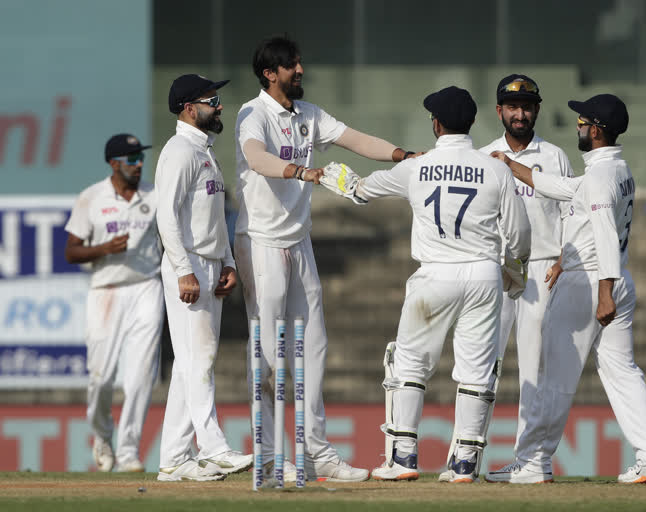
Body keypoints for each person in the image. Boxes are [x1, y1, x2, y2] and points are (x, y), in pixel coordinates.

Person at [233, 35, 420, 482]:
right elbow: (255, 158)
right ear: (269, 74)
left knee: (313, 345)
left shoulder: (308, 114)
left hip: (299, 242)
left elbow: (357, 140)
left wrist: (406, 157)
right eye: (291, 66)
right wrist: (304, 171)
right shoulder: (252, 113)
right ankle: (270, 454)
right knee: (268, 352)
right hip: (260, 240)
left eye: (300, 64)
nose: (300, 71)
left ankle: (316, 452)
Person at [347, 86, 531, 483]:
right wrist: (514, 273)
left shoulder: (417, 166)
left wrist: (333, 178)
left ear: (436, 124)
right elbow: (519, 234)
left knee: (409, 364)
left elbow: (363, 189)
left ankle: (403, 458)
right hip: (484, 275)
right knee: (477, 370)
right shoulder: (496, 168)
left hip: (434, 274)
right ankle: (464, 463)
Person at [486, 94, 646, 484]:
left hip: (588, 282)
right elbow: (562, 187)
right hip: (618, 280)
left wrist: (604, 291)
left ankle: (533, 461)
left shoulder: (601, 178)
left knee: (554, 378)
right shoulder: (614, 169)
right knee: (623, 372)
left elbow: (603, 233)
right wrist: (509, 165)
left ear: (597, 130)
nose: (578, 127)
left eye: (583, 122)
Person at [154, 74, 252, 482]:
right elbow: (166, 217)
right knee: (200, 360)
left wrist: (227, 262)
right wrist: (183, 272)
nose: (220, 106)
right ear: (189, 108)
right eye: (212, 99)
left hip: (209, 263)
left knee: (188, 364)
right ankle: (214, 448)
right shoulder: (178, 151)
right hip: (189, 265)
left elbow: (211, 219)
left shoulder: (205, 152)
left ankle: (174, 458)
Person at [478, 74, 573, 472]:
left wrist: (564, 257)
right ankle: (467, 457)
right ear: (499, 110)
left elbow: (572, 212)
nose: (520, 113)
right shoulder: (483, 156)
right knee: (482, 363)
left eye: (527, 106)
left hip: (541, 269)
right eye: (512, 107)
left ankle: (530, 461)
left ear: (537, 110)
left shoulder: (554, 156)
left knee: (534, 368)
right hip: (497, 270)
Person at [64, 134, 163, 473]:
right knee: (102, 377)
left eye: (140, 158)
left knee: (139, 377)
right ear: (114, 163)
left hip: (147, 287)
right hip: (105, 291)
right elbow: (71, 250)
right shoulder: (91, 197)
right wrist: (105, 248)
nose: (138, 164)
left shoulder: (155, 195)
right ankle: (103, 435)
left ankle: (129, 451)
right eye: (131, 159)